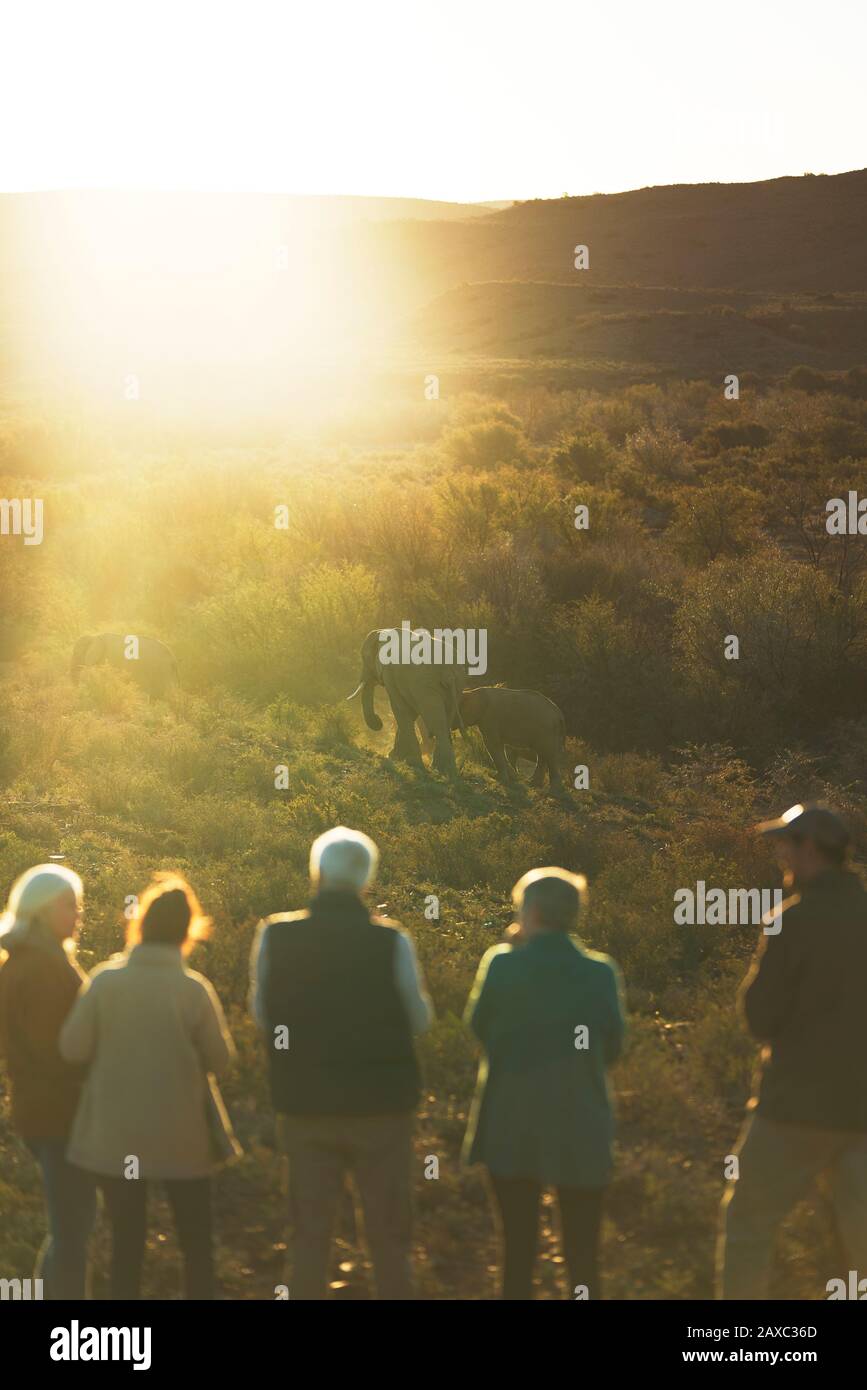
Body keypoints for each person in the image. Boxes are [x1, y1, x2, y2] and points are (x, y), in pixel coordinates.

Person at [250, 826, 433, 1300]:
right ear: (366, 880)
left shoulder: (276, 935)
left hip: (306, 1107)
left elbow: (264, 1016)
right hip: (382, 1109)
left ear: (316, 873)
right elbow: (419, 1018)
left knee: (308, 1238)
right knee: (389, 1239)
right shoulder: (392, 941)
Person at [59, 874, 235, 1300]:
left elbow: (71, 1049)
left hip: (116, 1138)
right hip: (183, 1139)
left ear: (141, 924)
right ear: (188, 930)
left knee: (127, 1245)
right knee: (196, 1244)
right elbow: (222, 1062)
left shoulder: (104, 981)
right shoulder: (194, 990)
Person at [717, 802, 867, 1299]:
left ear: (809, 850)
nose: (779, 852)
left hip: (795, 1109)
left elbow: (759, 1017)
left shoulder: (792, 919)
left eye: (786, 842)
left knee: (748, 1225)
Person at [463, 867, 626, 1300]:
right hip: (581, 1124)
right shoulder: (600, 973)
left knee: (517, 1250)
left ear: (530, 911)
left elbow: (478, 1028)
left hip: (510, 1124)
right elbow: (612, 1048)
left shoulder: (500, 964)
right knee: (583, 1253)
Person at [0, 863, 96, 1298]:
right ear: (40, 910)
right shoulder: (40, 966)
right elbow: (52, 1050)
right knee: (73, 1228)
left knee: (70, 1226)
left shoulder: (31, 958)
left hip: (45, 1110)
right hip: (57, 1112)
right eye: (68, 906)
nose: (78, 914)